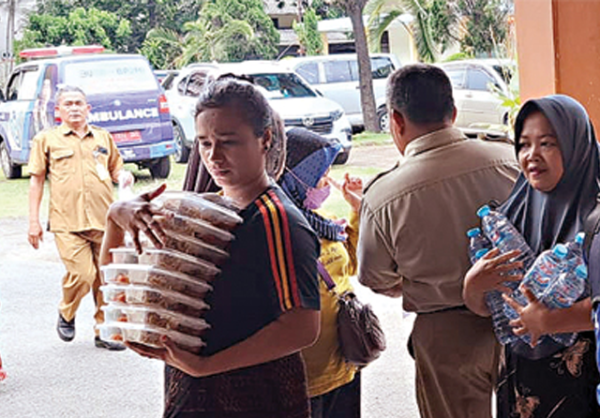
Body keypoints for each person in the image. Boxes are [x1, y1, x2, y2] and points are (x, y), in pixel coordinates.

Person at [100, 77, 321, 417]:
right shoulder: (204, 211)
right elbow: (116, 290)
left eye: (228, 142)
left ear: (265, 139)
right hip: (192, 392)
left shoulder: (278, 220)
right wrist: (116, 218)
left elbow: (302, 326)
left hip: (257, 399)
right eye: (203, 143)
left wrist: (207, 365)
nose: (213, 156)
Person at [356, 64, 520, 418]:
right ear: (454, 112)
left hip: (445, 333)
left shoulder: (384, 196)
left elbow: (375, 278)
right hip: (523, 317)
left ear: (395, 120)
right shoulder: (511, 161)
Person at [463, 94, 600, 417]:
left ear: (575, 146)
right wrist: (472, 285)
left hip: (583, 385)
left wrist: (552, 321)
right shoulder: (510, 214)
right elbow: (493, 308)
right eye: (524, 145)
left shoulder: (595, 216)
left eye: (548, 144)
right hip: (521, 381)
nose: (532, 156)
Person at [27, 85, 132, 350]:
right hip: (67, 222)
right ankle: (67, 311)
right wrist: (33, 221)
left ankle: (104, 331)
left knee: (105, 278)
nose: (74, 108)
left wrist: (123, 177)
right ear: (58, 110)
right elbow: (36, 181)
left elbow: (116, 168)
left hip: (104, 220)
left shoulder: (103, 138)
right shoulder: (47, 140)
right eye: (68, 104)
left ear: (88, 109)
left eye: (79, 103)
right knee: (83, 273)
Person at [279, 128, 362, 418]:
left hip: (343, 362)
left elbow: (350, 264)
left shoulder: (322, 222)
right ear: (296, 176)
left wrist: (356, 210)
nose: (327, 182)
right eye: (321, 174)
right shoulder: (278, 227)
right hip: (304, 377)